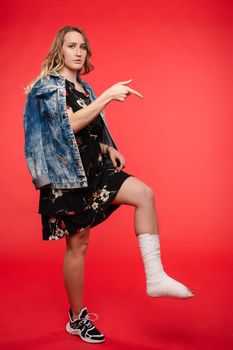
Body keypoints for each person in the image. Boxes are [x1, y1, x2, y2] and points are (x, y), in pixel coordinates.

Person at [23, 25, 195, 344]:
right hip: (67, 176)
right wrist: (107, 97)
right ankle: (77, 318)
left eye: (83, 46)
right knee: (79, 244)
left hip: (94, 168)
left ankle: (155, 277)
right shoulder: (48, 87)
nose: (78, 51)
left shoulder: (84, 89)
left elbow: (86, 129)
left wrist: (106, 147)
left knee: (144, 193)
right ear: (59, 49)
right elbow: (66, 125)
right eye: (72, 45)